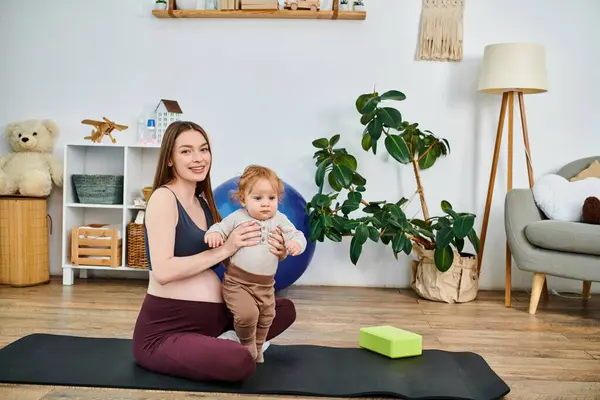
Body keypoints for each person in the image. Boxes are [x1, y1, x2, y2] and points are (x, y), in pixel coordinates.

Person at [131, 121, 296, 382]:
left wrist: (277, 251)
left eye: (203, 149)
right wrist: (227, 248)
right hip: (168, 330)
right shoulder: (164, 199)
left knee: (283, 309)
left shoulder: (203, 202)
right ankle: (225, 344)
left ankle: (222, 338)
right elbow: (162, 271)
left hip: (219, 317)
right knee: (240, 361)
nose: (198, 158)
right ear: (170, 159)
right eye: (186, 151)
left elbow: (231, 258)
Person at [204, 165, 307, 363]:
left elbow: (296, 235)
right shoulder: (237, 218)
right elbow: (218, 228)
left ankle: (259, 345)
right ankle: (247, 343)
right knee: (247, 315)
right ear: (244, 200)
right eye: (258, 198)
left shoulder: (279, 220)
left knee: (267, 316)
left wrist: (296, 244)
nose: (266, 204)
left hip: (266, 285)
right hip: (238, 283)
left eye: (271, 198)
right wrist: (214, 235)